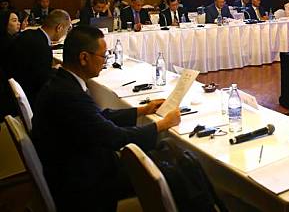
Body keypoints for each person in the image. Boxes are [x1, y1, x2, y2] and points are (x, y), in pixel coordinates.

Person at [31, 25, 181, 212]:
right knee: (175, 171)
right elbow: (114, 136)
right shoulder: (68, 95)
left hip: (74, 165)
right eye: (103, 56)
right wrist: (162, 124)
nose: (105, 61)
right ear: (84, 58)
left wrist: (142, 110)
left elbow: (98, 118)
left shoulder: (61, 82)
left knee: (167, 157)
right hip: (84, 183)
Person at [5, 10, 71, 106]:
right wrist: (56, 71)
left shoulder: (28, 33)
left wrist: (51, 69)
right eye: (67, 29)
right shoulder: (43, 47)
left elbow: (34, 68)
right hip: (30, 97)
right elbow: (43, 83)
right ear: (59, 27)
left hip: (11, 87)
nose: (65, 33)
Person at [0, 10, 22, 118]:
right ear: (4, 23)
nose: (18, 23)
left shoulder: (10, 39)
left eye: (19, 20)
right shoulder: (7, 43)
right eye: (14, 20)